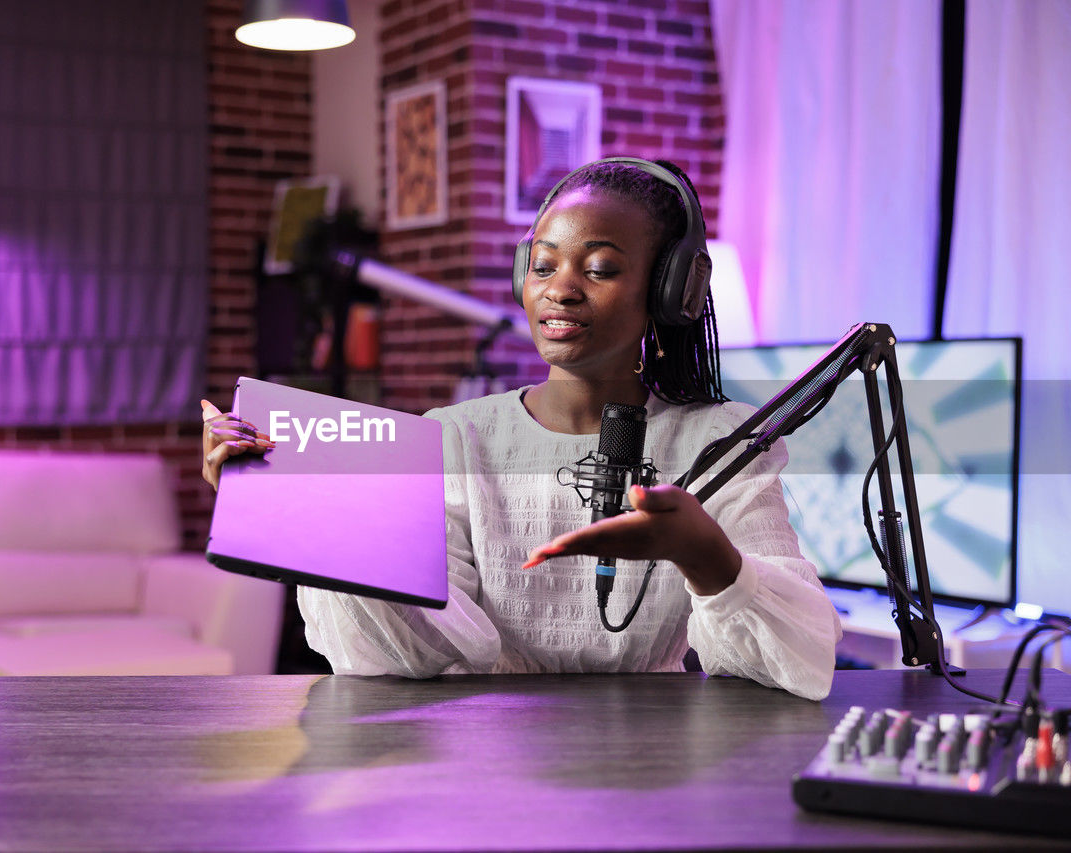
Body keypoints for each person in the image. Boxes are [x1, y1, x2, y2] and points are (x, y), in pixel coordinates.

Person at [202, 159, 842, 700]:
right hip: (481, 758)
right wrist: (306, 518)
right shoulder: (452, 436)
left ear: (672, 288)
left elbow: (804, 661)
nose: (560, 289)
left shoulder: (719, 443)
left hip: (656, 757)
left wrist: (706, 554)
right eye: (543, 265)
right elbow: (424, 649)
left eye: (598, 269)